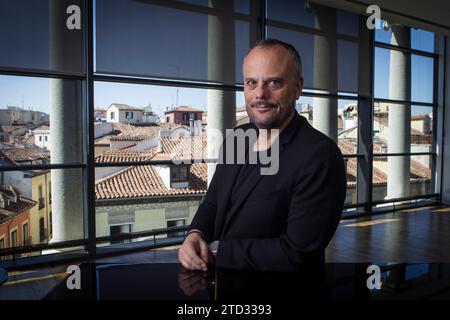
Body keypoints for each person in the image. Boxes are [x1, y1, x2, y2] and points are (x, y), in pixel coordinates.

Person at [178, 38, 346, 272]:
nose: (259, 94)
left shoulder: (320, 156)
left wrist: (219, 251)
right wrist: (195, 234)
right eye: (251, 83)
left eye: (274, 82)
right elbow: (214, 202)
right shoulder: (237, 138)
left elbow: (297, 253)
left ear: (297, 87)